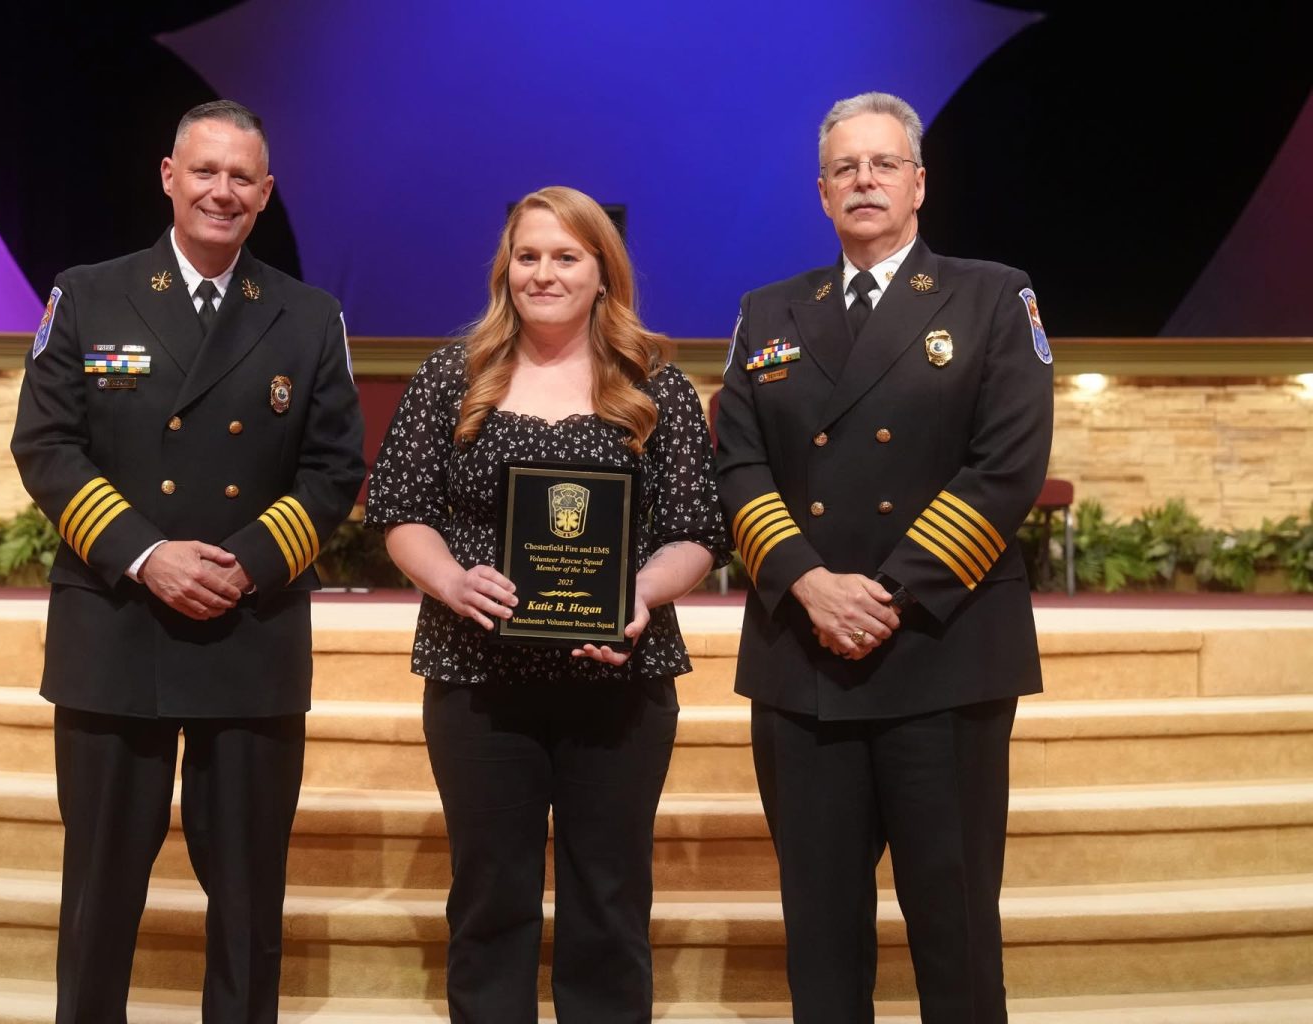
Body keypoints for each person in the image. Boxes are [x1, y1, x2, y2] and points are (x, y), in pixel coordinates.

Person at [10, 99, 365, 1023]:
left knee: (249, 901)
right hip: (115, 630)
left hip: (248, 636)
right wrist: (147, 555)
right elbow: (47, 447)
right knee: (98, 896)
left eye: (241, 177)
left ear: (266, 193)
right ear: (168, 177)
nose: (222, 191)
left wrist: (244, 563)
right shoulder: (86, 293)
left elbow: (334, 470)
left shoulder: (308, 314)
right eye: (204, 171)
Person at [714, 92, 1054, 1023]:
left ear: (919, 184)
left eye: (884, 164)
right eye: (844, 169)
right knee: (819, 935)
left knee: (954, 928)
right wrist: (809, 583)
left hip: (941, 652)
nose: (864, 181)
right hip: (803, 654)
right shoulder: (769, 309)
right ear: (823, 194)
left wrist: (888, 596)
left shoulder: (992, 295)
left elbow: (1007, 467)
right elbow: (736, 462)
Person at [364, 186, 728, 1023]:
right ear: (506, 268)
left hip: (620, 677)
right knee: (491, 898)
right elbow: (400, 511)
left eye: (566, 257)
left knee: (608, 899)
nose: (544, 273)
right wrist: (450, 580)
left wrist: (638, 591)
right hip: (478, 678)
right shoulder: (453, 375)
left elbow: (698, 533)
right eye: (527, 256)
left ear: (604, 272)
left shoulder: (654, 385)